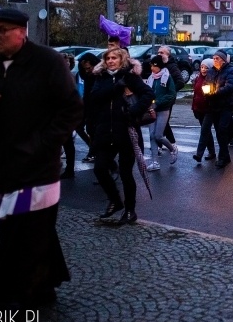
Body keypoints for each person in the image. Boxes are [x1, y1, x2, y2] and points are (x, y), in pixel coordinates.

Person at [0, 8, 83, 308]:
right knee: (20, 226)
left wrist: (43, 143)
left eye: (1, 30)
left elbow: (72, 110)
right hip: (2, 165)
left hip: (39, 167)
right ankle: (45, 288)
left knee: (22, 232)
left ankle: (3, 298)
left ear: (21, 31)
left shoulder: (48, 62)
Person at [89, 47, 154, 223]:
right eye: (108, 58)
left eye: (114, 58)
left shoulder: (129, 77)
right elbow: (94, 97)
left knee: (126, 173)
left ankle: (130, 210)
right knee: (100, 168)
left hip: (126, 131)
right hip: (104, 131)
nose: (110, 61)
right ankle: (115, 201)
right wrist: (114, 88)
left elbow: (148, 94)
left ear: (121, 60)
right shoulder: (101, 77)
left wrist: (133, 111)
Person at [200, 50, 233, 168]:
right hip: (213, 105)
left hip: (226, 105)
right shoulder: (211, 71)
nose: (214, 60)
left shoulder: (230, 70)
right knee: (218, 131)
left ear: (223, 59)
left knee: (222, 129)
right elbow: (205, 83)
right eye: (214, 58)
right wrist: (206, 91)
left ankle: (223, 157)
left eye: (217, 58)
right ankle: (225, 156)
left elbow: (230, 86)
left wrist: (215, 92)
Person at [144, 55, 179, 171]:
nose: (152, 68)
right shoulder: (151, 78)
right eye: (151, 66)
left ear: (160, 66)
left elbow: (172, 94)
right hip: (151, 109)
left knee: (158, 135)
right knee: (152, 136)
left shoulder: (167, 77)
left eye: (154, 66)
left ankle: (172, 149)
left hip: (163, 109)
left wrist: (158, 102)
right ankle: (155, 162)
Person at [156, 46, 186, 156]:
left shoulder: (172, 67)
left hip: (167, 99)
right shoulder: (157, 65)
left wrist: (170, 91)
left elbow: (181, 82)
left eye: (162, 52)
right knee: (160, 121)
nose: (159, 54)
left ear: (168, 55)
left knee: (163, 122)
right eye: (158, 52)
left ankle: (171, 144)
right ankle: (162, 145)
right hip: (157, 98)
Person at [77, 52, 100, 163]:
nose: (87, 70)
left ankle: (94, 152)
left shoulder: (98, 76)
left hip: (95, 106)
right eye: (85, 69)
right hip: (86, 105)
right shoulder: (87, 76)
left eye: (89, 68)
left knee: (92, 129)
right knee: (80, 127)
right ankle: (93, 149)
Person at [191, 62, 216, 162]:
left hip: (209, 109)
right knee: (206, 131)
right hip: (199, 109)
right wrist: (194, 107)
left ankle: (199, 154)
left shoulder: (212, 79)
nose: (203, 69)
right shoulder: (198, 78)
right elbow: (195, 94)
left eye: (206, 68)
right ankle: (212, 152)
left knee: (204, 130)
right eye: (202, 67)